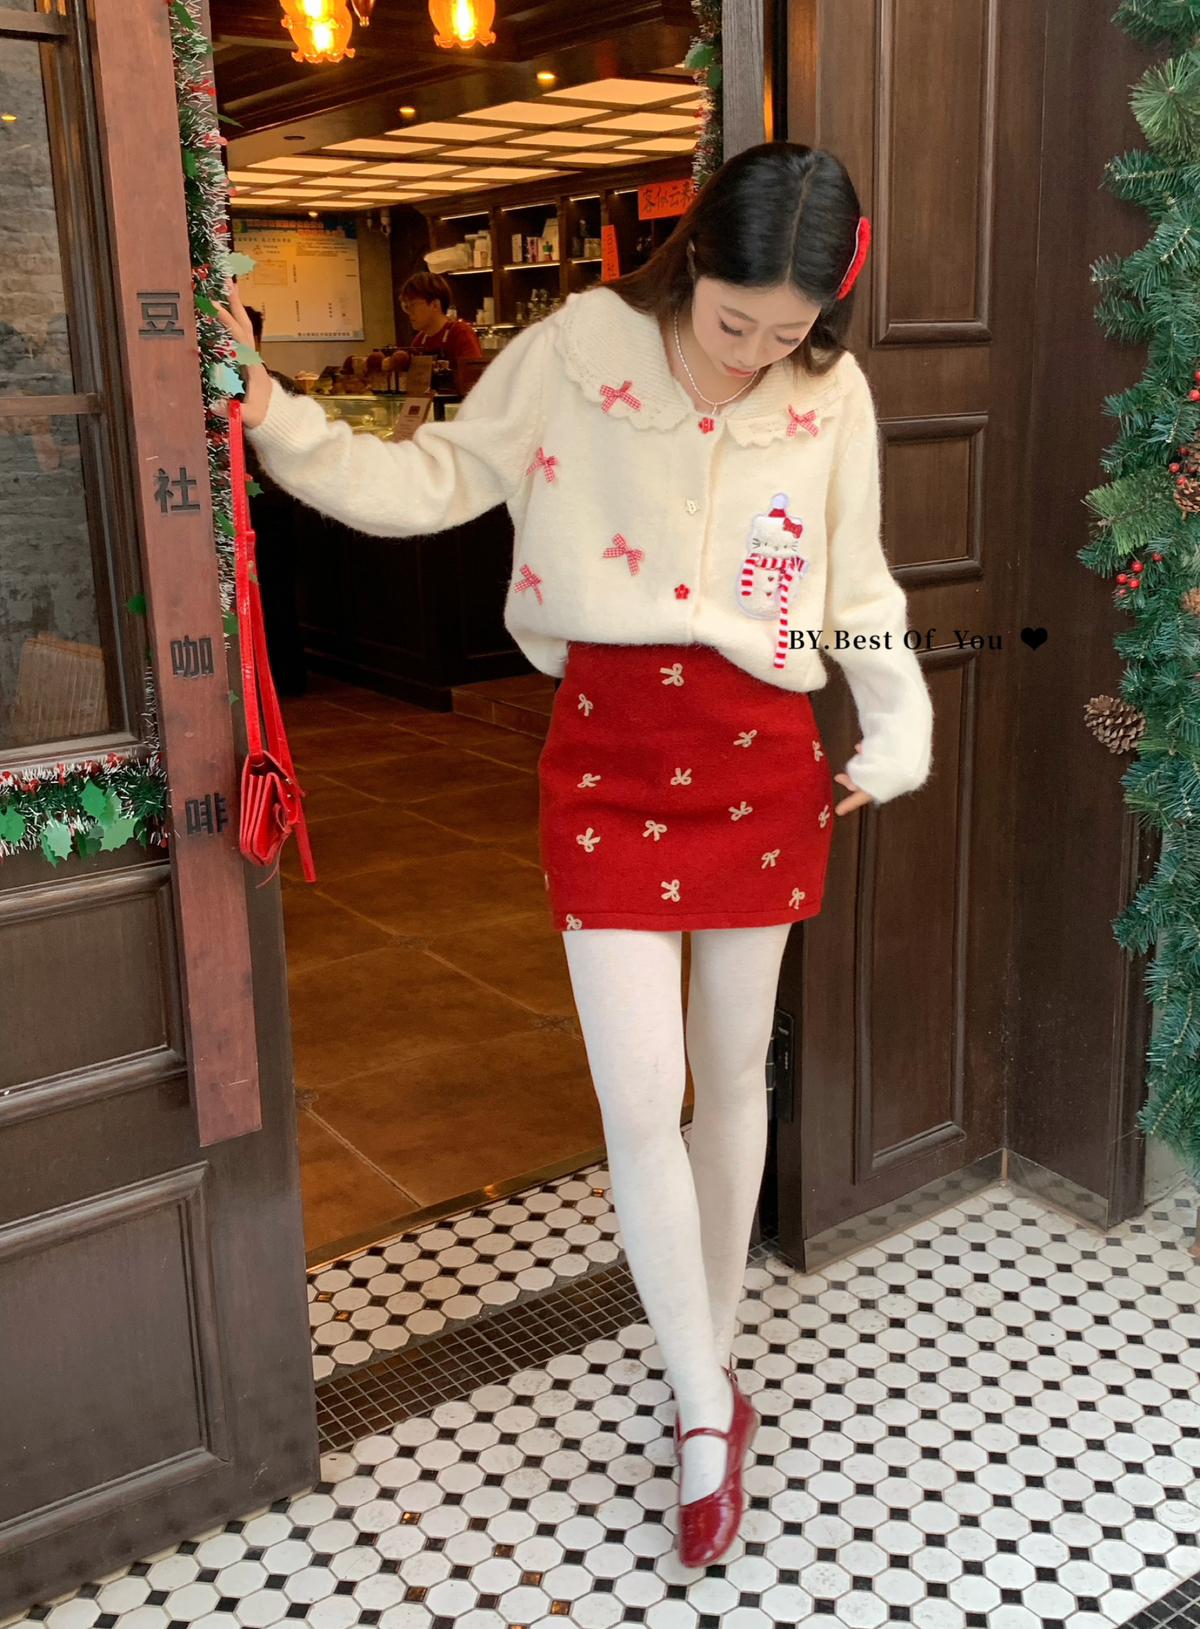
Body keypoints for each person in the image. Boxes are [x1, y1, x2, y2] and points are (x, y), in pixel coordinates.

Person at [214, 140, 934, 1569]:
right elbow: (432, 479)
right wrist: (279, 418)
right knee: (641, 1095)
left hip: (761, 751)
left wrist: (897, 719)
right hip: (607, 752)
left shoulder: (830, 389)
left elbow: (853, 580)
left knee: (735, 1073)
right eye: (734, 322)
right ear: (692, 264)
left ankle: (707, 1357)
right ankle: (703, 1403)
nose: (752, 356)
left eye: (787, 332)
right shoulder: (575, 347)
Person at [240, 305, 307, 696]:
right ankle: (287, 676)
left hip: (253, 503)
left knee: (263, 592)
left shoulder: (230, 388)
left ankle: (267, 681)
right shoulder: (283, 384)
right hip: (282, 499)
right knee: (279, 589)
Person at [384, 270, 483, 382]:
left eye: (414, 305)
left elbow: (474, 379)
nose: (409, 312)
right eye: (406, 306)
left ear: (435, 305)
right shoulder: (419, 340)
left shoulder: (460, 333)